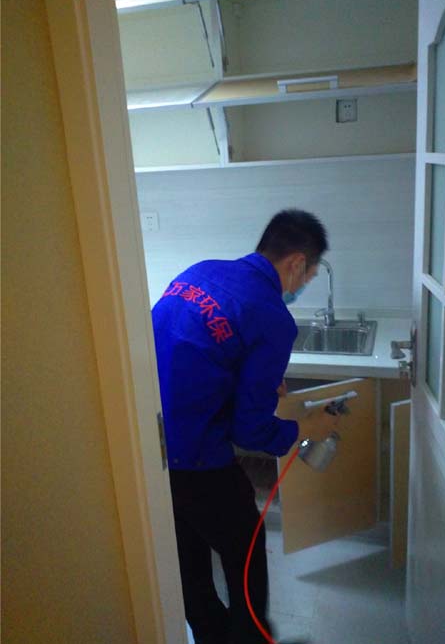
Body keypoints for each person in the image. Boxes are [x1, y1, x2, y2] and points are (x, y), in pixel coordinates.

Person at [152, 209, 328, 644]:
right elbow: (250, 432)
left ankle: (211, 637)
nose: (304, 284)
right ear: (296, 263)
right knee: (244, 551)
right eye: (310, 275)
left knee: (188, 561)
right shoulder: (272, 316)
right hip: (198, 457)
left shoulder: (201, 272)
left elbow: (191, 356)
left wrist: (256, 385)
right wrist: (304, 426)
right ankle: (251, 637)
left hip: (148, 447)